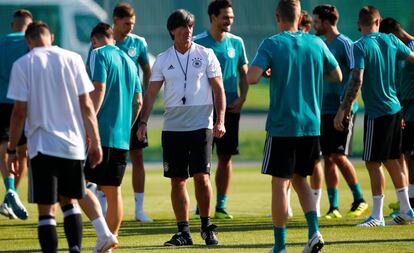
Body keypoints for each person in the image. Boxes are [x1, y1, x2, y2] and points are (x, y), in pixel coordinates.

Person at [247, 0, 342, 252]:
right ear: (301, 18)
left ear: (278, 17)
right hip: (311, 125)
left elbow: (251, 77)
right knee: (301, 179)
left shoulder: (271, 43)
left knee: (280, 182)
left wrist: (269, 70)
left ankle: (280, 246)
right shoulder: (317, 43)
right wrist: (309, 72)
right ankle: (314, 233)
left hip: (283, 125)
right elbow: (337, 75)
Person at [6, 21, 102, 253]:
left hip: (42, 146)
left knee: (47, 210)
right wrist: (96, 141)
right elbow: (87, 105)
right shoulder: (73, 59)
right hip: (73, 146)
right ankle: (75, 249)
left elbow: (19, 112)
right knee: (70, 203)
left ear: (28, 41)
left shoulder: (23, 64)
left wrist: (11, 149)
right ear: (51, 36)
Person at [137, 9, 226, 246]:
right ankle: (184, 232)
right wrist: (143, 121)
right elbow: (151, 94)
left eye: (190, 27)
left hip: (201, 126)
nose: (187, 31)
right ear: (172, 31)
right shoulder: (164, 59)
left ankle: (206, 227)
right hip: (173, 128)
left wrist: (220, 120)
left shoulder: (206, 54)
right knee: (177, 180)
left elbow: (218, 90)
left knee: (202, 177)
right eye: (182, 27)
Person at [334, 6, 414, 226]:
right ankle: (407, 209)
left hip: (377, 113)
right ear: (378, 21)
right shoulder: (391, 40)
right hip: (396, 110)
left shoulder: (360, 46)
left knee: (372, 161)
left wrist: (343, 108)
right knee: (392, 159)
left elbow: (357, 79)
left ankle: (377, 216)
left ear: (360, 24)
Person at [85, 21, 142, 243]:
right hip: (121, 138)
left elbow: (99, 88)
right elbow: (138, 100)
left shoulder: (98, 54)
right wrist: (126, 127)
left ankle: (103, 234)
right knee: (113, 191)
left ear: (94, 40)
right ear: (112, 37)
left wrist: (88, 124)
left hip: (100, 134)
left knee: (74, 186)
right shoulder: (129, 60)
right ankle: (110, 240)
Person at [193, 0, 248, 219]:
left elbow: (244, 73)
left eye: (232, 17)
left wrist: (242, 98)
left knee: (225, 157)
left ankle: (221, 205)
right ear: (213, 17)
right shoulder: (198, 43)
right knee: (201, 160)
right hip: (205, 110)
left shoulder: (237, 42)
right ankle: (201, 206)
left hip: (231, 109)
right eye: (226, 17)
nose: (230, 21)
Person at [312, 4, 368, 219]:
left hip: (342, 109)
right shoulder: (321, 44)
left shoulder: (345, 44)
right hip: (324, 109)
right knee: (328, 157)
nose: (315, 25)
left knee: (339, 155)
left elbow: (356, 77)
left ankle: (359, 199)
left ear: (326, 22)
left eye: (317, 21)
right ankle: (333, 207)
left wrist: (344, 108)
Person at [112, 2, 152, 222]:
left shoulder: (138, 43)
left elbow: (147, 69)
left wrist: (145, 95)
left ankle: (139, 209)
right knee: (109, 157)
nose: (130, 28)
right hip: (112, 110)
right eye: (126, 23)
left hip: (134, 108)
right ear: (115, 20)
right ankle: (103, 203)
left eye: (132, 24)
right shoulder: (105, 40)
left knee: (137, 155)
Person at [379, 17, 414, 216]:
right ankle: (409, 200)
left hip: (413, 108)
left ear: (393, 35)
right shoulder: (402, 52)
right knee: (406, 154)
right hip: (405, 110)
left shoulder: (411, 47)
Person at [0, 9, 32, 220]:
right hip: (25, 103)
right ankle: (11, 193)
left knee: (3, 147)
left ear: (13, 25)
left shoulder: (1, 41)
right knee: (22, 153)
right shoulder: (32, 44)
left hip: (1, 101)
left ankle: (9, 192)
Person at [298, 9, 324, 218]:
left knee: (316, 163)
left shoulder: (314, 44)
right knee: (289, 173)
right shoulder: (294, 45)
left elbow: (339, 74)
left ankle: (318, 201)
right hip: (306, 118)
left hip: (313, 116)